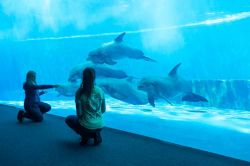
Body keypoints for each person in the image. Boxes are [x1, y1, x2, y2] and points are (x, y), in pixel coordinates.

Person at [65, 67, 106, 145]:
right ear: (94, 77)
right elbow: (103, 110)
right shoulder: (100, 90)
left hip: (87, 126)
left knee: (69, 119)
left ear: (82, 77)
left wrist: (86, 119)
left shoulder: (79, 92)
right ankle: (96, 133)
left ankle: (85, 135)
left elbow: (79, 114)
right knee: (91, 124)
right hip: (100, 125)